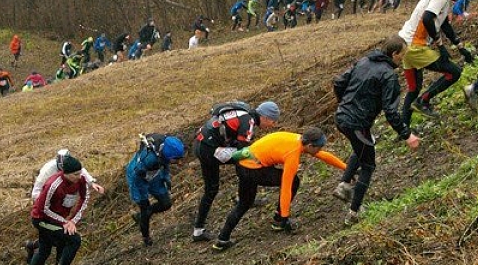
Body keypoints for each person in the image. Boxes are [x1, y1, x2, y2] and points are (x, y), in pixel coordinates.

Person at [332, 36, 420, 224]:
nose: (402, 60)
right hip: (357, 123)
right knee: (369, 165)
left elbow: (339, 82)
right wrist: (407, 135)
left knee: (363, 147)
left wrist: (345, 103)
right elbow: (390, 110)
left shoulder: (364, 61)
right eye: (402, 56)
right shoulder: (388, 75)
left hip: (341, 118)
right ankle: (354, 213)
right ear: (394, 54)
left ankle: (344, 185)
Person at [211, 128, 346, 250]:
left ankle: (222, 239)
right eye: (319, 147)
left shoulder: (299, 139)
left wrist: (346, 168)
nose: (320, 150)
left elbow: (324, 155)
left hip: (244, 162)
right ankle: (279, 219)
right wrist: (285, 218)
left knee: (244, 203)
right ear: (310, 145)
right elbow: (286, 187)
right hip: (252, 169)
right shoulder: (293, 154)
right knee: (293, 182)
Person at [192, 101, 280, 242]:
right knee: (248, 159)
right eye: (273, 122)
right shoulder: (249, 122)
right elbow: (243, 153)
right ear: (265, 117)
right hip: (210, 149)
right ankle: (245, 199)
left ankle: (198, 231)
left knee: (211, 189)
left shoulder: (244, 113)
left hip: (200, 144)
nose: (272, 126)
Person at [397, 0, 475, 124]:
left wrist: (460, 48)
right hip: (414, 46)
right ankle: (423, 101)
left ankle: (404, 130)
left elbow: (445, 25)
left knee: (413, 89)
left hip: (405, 45)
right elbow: (427, 18)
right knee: (454, 73)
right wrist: (440, 46)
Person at [18, 155, 90, 265]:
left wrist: (73, 220)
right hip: (42, 219)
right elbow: (42, 209)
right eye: (75, 174)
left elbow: (85, 197)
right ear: (66, 173)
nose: (79, 176)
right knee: (74, 239)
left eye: (80, 173)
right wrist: (64, 222)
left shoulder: (80, 180)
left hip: (58, 218)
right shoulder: (52, 185)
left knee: (45, 249)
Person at [25, 149, 105, 264]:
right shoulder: (48, 170)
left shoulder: (73, 167)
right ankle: (56, 262)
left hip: (64, 205)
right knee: (61, 235)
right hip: (48, 205)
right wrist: (43, 206)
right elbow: (36, 191)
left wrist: (92, 183)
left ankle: (34, 247)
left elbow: (82, 173)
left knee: (57, 235)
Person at [125, 134, 185, 247]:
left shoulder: (164, 150)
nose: (178, 162)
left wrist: (166, 177)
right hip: (137, 178)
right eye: (176, 159)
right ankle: (146, 237)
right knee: (145, 210)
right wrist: (143, 199)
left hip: (154, 174)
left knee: (166, 203)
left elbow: (165, 164)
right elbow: (137, 176)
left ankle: (143, 215)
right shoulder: (149, 159)